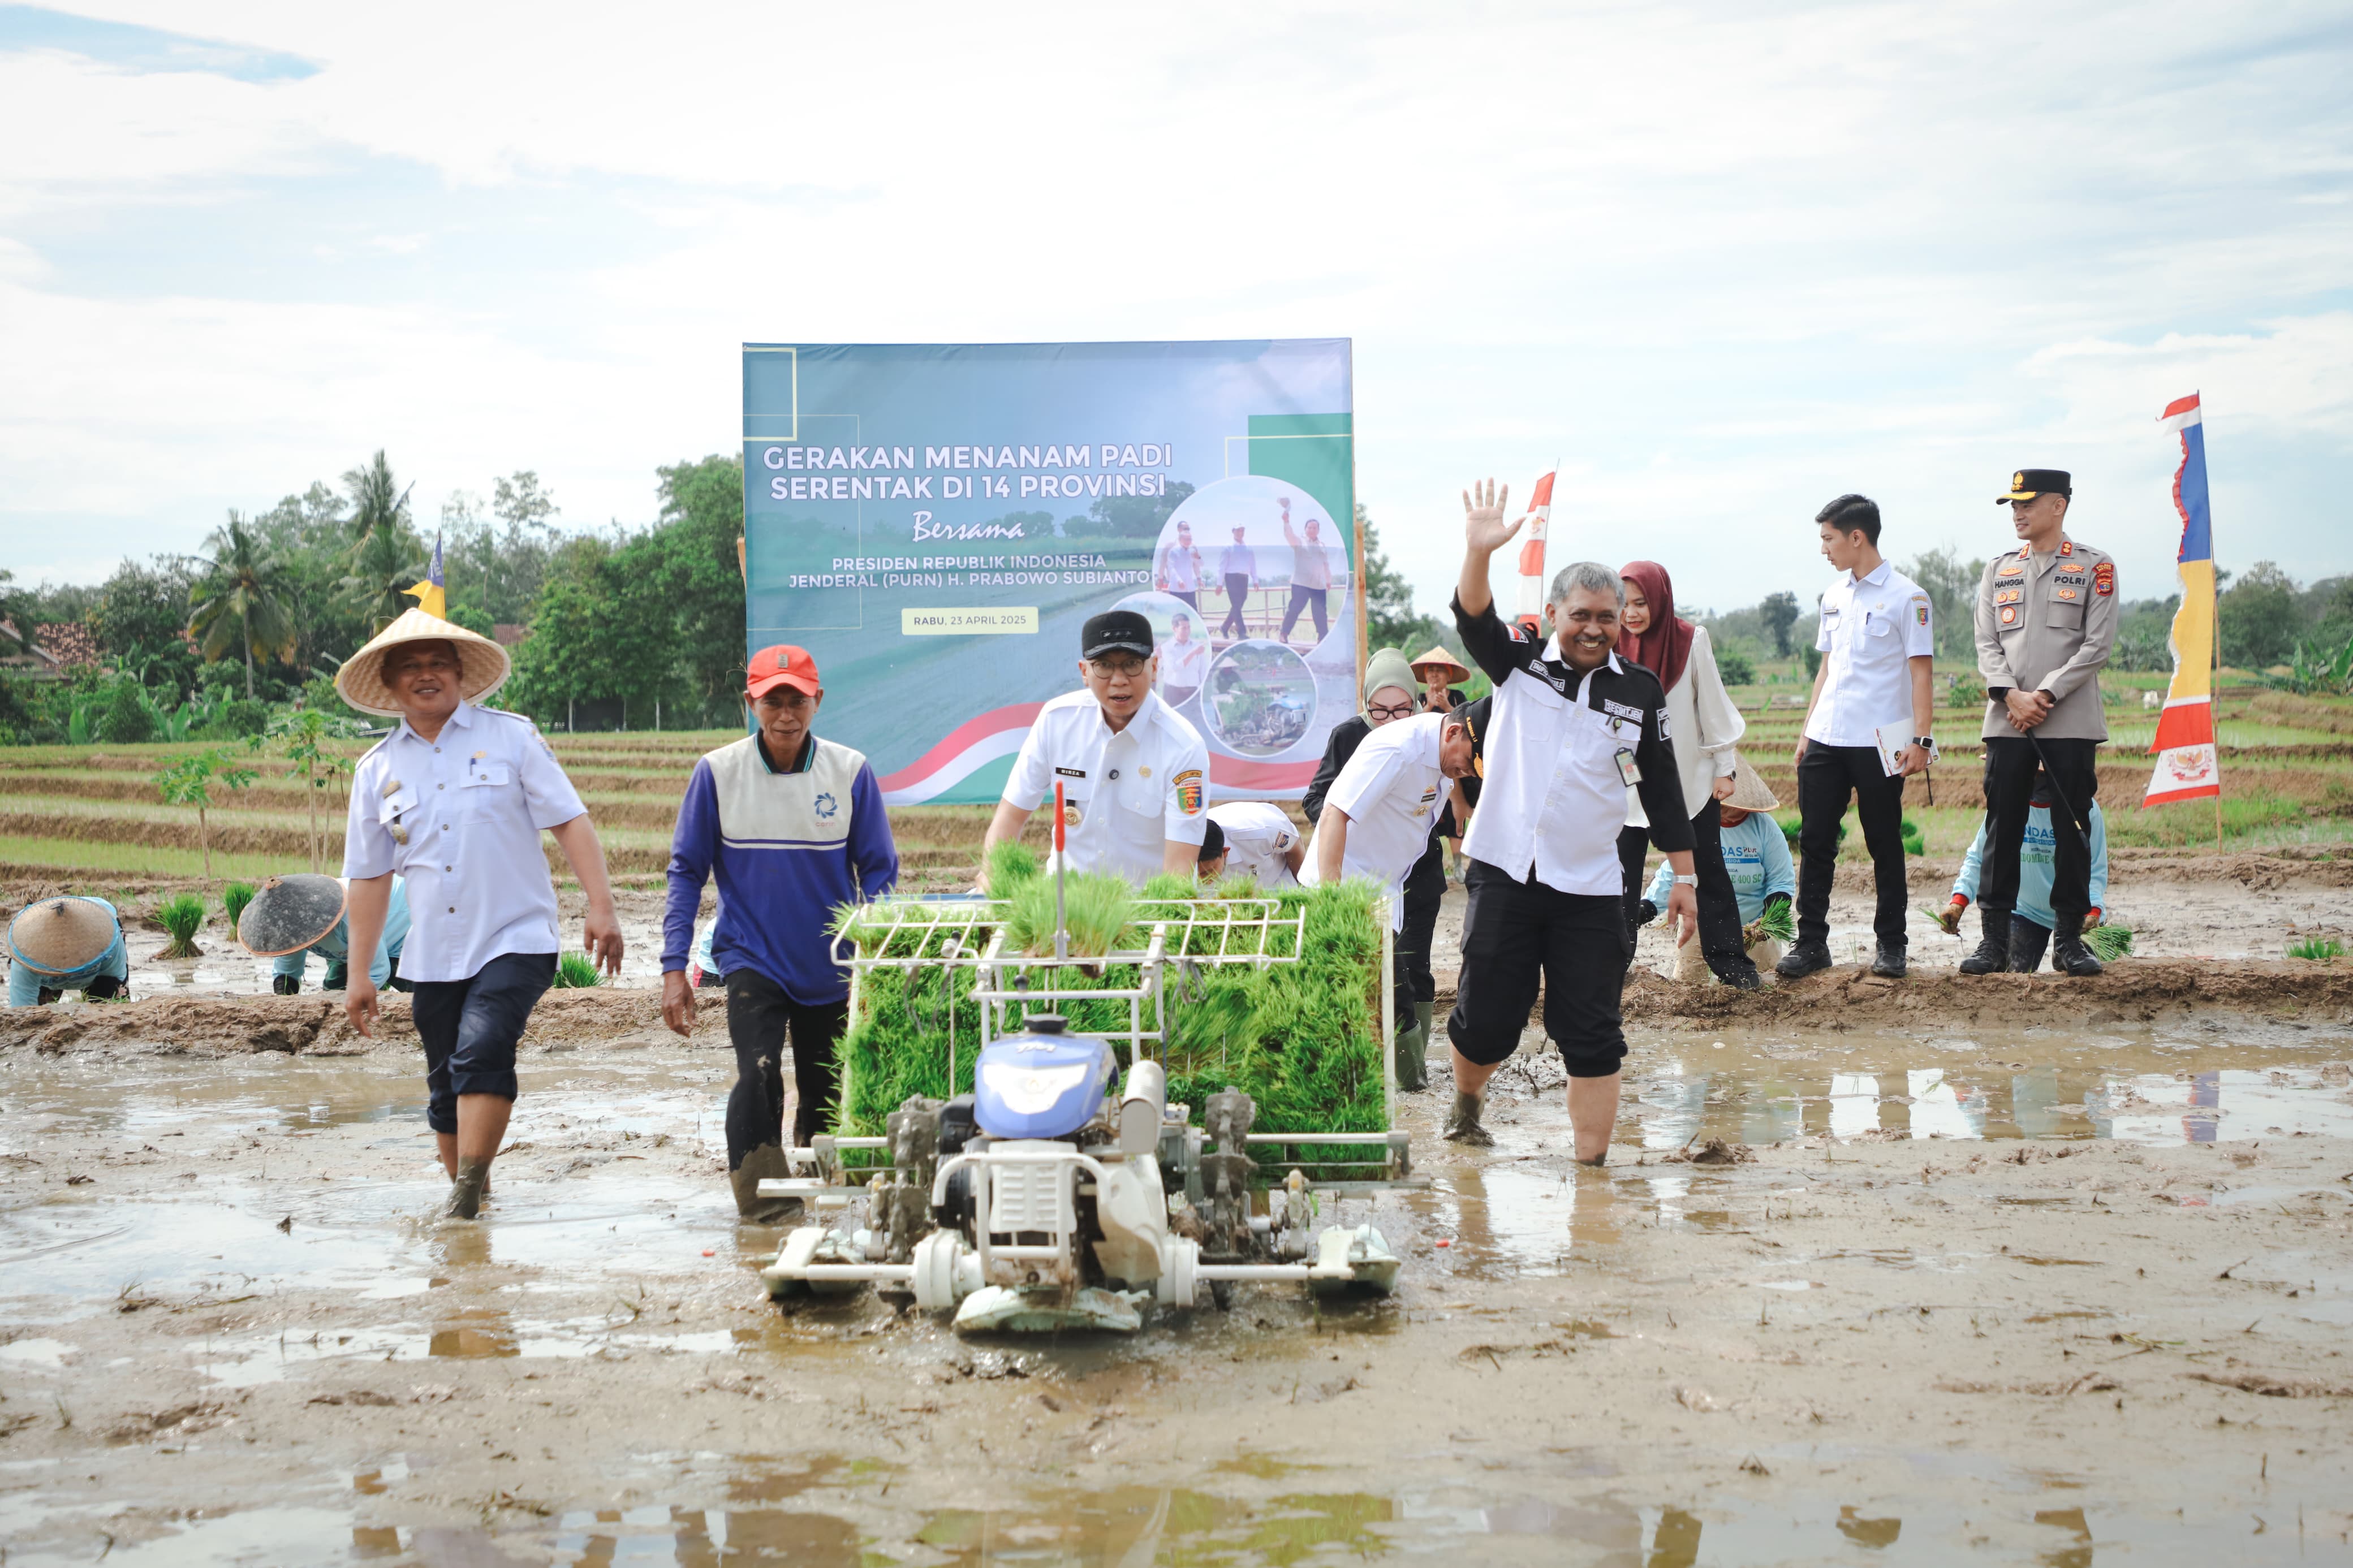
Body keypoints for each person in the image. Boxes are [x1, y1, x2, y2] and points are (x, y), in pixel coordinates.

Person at [337, 608, 624, 1221]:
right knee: (444, 1085)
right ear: (389, 685)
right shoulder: (376, 772)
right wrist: (359, 971)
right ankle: (476, 1200)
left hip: (515, 933)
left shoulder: (512, 738)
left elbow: (570, 820)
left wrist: (602, 908)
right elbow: (367, 878)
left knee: (485, 1041)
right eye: (410, 667)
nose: (426, 675)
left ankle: (464, 1195)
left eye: (438, 663)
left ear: (461, 673)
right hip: (433, 951)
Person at [1449, 479, 1699, 1160]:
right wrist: (1478, 553)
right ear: (1554, 611)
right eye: (1580, 614)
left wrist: (1685, 877)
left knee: (1591, 1030)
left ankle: (1591, 1172)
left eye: (1607, 617)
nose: (1593, 628)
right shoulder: (1518, 663)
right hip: (1505, 868)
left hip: (1591, 886)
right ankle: (1467, 1102)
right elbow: (1474, 619)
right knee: (1486, 1024)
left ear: (1621, 621)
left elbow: (1664, 789)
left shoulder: (1638, 692)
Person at [661, 644, 899, 1222]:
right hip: (751, 958)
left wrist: (882, 957)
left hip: (831, 964)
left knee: (823, 1093)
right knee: (757, 1071)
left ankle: (821, 1202)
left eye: (796, 700)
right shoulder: (717, 774)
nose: (785, 714)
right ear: (751, 703)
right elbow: (686, 871)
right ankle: (762, 1203)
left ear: (818, 701)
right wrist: (673, 966)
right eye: (772, 701)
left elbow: (879, 871)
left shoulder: (849, 772)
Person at [1965, 468, 2119, 978]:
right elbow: (1987, 644)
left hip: (2067, 720)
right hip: (2008, 719)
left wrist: (2045, 694)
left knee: (2071, 827)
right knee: (2001, 826)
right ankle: (1992, 942)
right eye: (2013, 504)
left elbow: (2096, 646)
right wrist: (2011, 694)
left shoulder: (2095, 567)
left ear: (2059, 505)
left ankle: (2070, 942)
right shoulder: (1998, 571)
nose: (2017, 512)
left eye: (2027, 503)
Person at [1779, 494, 1936, 982]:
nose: (1824, 548)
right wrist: (1807, 730)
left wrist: (1922, 740)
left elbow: (1921, 675)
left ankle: (1892, 945)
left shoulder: (1910, 597)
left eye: (1828, 539)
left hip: (1880, 739)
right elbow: (1827, 668)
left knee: (1884, 842)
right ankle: (1811, 944)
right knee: (1816, 840)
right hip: (1827, 737)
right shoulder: (1833, 595)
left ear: (1856, 537)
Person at [1302, 705, 1479, 1094]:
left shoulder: (1444, 754)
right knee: (1375, 992)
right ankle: (1403, 1089)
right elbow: (1333, 812)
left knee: (1394, 988)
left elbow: (1441, 796)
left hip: (1386, 886)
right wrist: (1334, 902)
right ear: (1452, 734)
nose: (1464, 773)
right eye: (1466, 765)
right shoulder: (1398, 750)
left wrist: (1462, 800)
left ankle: (1396, 1083)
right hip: (1346, 885)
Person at [1614, 560, 1759, 988]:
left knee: (1708, 869)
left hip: (1687, 782)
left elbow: (1712, 707)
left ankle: (1731, 963)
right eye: (1624, 604)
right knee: (1619, 875)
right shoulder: (1610, 645)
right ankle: (1612, 963)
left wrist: (1724, 768)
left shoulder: (1691, 641)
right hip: (1625, 784)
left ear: (1659, 599)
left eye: (1641, 603)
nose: (1632, 613)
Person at [987, 610, 1212, 885]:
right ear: (1085, 672)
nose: (1119, 679)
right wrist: (992, 880)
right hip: (1063, 905)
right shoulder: (1056, 721)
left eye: (1132, 663)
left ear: (1154, 667)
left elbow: (1178, 867)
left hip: (1144, 910)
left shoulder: (1184, 747)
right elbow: (1009, 818)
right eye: (1104, 666)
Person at [1640, 758, 1794, 983]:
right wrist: (1648, 907)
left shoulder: (1765, 829)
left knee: (1760, 987)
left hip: (1754, 925)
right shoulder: (1698, 826)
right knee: (1690, 984)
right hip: (1703, 921)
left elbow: (1781, 881)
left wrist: (1770, 918)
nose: (1723, 808)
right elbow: (1673, 872)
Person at [1940, 772, 2110, 973]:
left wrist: (2094, 910)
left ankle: (2064, 949)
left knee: (2086, 969)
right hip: (2026, 911)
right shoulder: (2005, 805)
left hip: (2078, 912)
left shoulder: (2084, 808)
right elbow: (1980, 858)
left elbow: (2095, 869)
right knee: (2011, 970)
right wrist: (1958, 901)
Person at [239, 872, 412, 995]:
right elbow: (287, 975)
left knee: (421, 996)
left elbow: (378, 971)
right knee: (335, 990)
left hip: (410, 921)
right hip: (349, 947)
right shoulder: (292, 924)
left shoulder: (350, 918)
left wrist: (352, 1005)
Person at [7, 896, 128, 1007]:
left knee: (105, 1011)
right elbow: (22, 1010)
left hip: (98, 923)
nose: (65, 955)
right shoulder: (25, 956)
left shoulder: (108, 941)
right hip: (43, 973)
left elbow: (113, 1002)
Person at [1203, 800, 1305, 887]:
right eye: (1195, 874)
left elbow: (1295, 847)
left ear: (1225, 852)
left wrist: (1305, 890)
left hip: (1277, 882)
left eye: (1207, 873)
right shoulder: (1188, 846)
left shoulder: (1263, 833)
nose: (1202, 880)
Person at [1278, 500, 1333, 646]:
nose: (1312, 530)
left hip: (1318, 585)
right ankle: (1284, 634)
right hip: (1300, 583)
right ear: (1306, 529)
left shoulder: (1322, 546)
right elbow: (1289, 535)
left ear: (1318, 530)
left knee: (1320, 613)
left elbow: (1326, 565)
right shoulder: (1299, 542)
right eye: (1310, 527)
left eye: (1315, 528)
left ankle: (1323, 638)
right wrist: (1286, 522)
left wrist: (1328, 580)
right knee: (1294, 609)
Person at [1217, 524, 1257, 640]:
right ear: (1233, 532)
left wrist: (1255, 579)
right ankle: (1242, 632)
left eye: (1242, 530)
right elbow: (1222, 566)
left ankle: (1225, 627)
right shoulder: (1227, 547)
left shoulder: (1248, 548)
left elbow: (1253, 564)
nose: (1240, 533)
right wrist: (1219, 583)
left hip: (1244, 577)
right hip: (1231, 577)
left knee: (1239, 604)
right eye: (1238, 530)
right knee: (1236, 604)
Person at [1154, 521, 1204, 611]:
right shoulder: (1170, 545)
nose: (1187, 530)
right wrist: (1160, 578)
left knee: (1193, 610)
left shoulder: (1193, 546)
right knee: (1177, 611)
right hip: (1175, 583)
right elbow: (1164, 563)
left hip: (1189, 585)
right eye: (1185, 529)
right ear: (1179, 530)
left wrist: (1199, 578)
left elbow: (1197, 565)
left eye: (1188, 529)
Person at [1161, 611, 1208, 705]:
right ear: (1175, 629)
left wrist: (1202, 690)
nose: (1187, 631)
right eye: (1184, 628)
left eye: (1189, 627)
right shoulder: (1167, 647)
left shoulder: (1197, 646)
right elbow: (1175, 668)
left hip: (1193, 691)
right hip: (1173, 692)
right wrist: (1193, 653)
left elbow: (1203, 670)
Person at [1410, 646, 1472, 714]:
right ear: (1426, 676)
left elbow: (1466, 719)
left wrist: (1447, 707)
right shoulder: (1421, 699)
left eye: (1440, 670)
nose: (1434, 675)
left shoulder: (1457, 696)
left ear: (1449, 677)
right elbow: (1414, 721)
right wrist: (1429, 706)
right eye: (1430, 670)